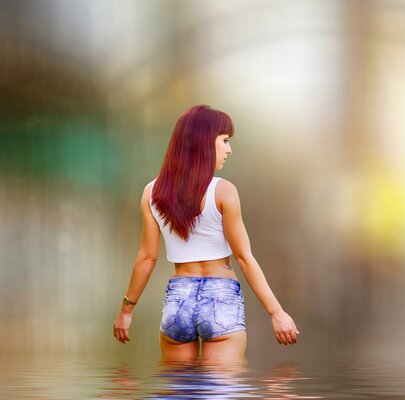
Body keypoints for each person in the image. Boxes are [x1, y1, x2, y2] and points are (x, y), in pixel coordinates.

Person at [113, 105, 299, 363]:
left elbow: (147, 258)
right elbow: (244, 258)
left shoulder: (151, 193)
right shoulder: (223, 191)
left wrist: (126, 311)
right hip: (220, 298)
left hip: (178, 300)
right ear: (204, 142)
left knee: (181, 392)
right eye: (224, 140)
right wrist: (276, 313)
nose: (229, 149)